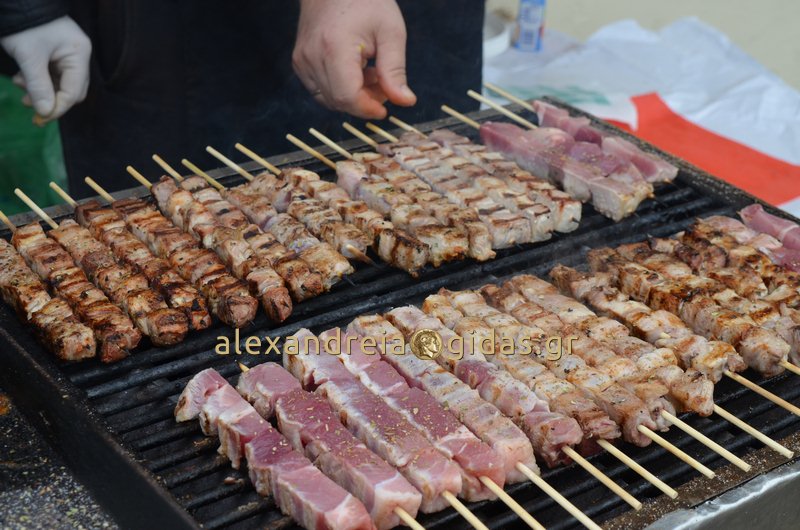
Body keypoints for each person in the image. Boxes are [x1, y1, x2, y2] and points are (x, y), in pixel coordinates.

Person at [0, 1, 484, 197]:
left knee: (442, 196)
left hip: (411, 19)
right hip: (170, 40)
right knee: (148, 219)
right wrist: (27, 10)